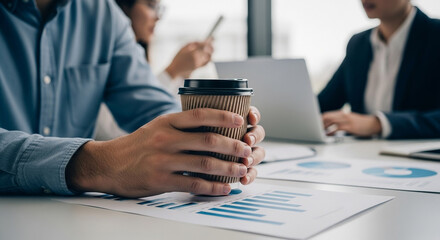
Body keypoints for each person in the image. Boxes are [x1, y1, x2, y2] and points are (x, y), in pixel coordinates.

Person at [0, 0, 265, 198]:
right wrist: (92, 165)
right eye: (150, 6)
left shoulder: (104, 16)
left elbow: (150, 102)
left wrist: (209, 138)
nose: (156, 17)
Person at [318, 0, 440, 139]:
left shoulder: (435, 36)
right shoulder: (358, 44)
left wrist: (378, 124)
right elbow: (324, 104)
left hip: (414, 157)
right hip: (361, 156)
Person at [94, 0, 214, 140]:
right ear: (123, 6)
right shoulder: (103, 52)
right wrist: (172, 72)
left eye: (159, 8)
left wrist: (182, 74)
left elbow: (161, 109)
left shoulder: (142, 56)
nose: (158, 17)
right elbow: (113, 131)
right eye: (151, 6)